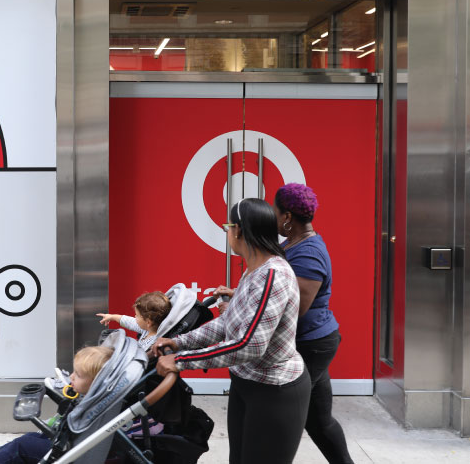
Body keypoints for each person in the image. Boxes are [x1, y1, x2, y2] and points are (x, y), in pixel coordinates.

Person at [151, 198, 310, 464]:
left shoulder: (273, 276)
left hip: (274, 392)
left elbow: (249, 345)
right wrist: (180, 343)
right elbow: (226, 324)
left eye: (228, 225)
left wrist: (180, 361)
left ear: (239, 230)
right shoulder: (253, 270)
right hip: (246, 383)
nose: (227, 232)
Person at [275, 183, 354, 464]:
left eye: (275, 212)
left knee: (280, 417)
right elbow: (279, 290)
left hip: (311, 345)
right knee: (319, 422)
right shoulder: (292, 244)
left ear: (286, 217)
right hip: (313, 342)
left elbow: (296, 308)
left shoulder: (308, 253)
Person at [0, 346, 114, 464]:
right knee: (30, 437)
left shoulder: (96, 405)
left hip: (69, 453)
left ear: (95, 383)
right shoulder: (94, 397)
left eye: (78, 375)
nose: (72, 376)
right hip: (66, 443)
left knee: (23, 446)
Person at [97, 291, 172, 352]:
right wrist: (112, 317)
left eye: (137, 315)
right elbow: (129, 322)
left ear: (148, 322)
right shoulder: (148, 329)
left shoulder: (153, 343)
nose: (135, 317)